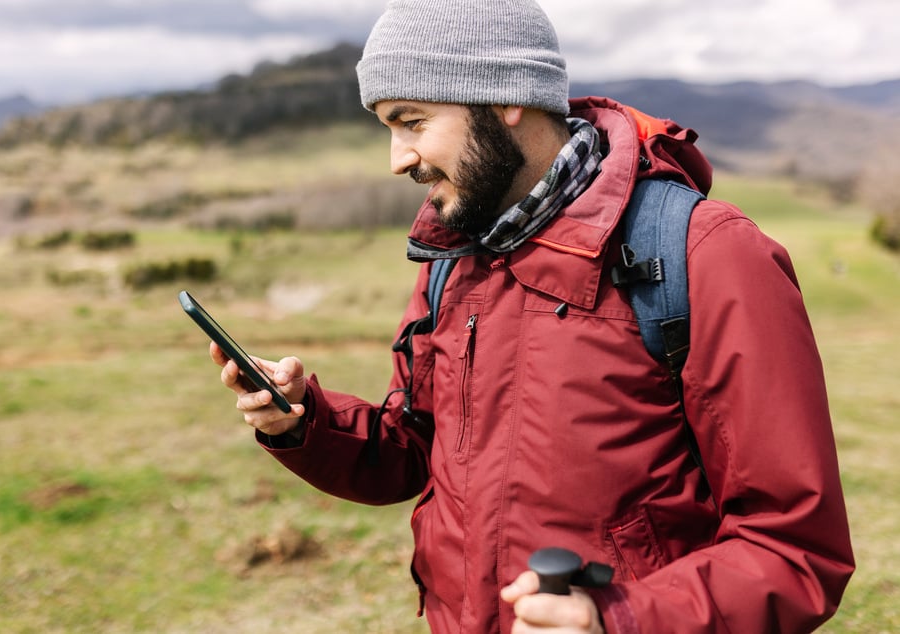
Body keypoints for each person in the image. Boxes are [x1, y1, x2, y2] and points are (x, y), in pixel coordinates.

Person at [210, 0, 854, 631]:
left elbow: (794, 552)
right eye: (388, 128)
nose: (398, 159)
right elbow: (417, 449)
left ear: (505, 97)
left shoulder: (706, 253)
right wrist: (304, 422)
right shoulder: (454, 257)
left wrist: (620, 620)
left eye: (411, 121)